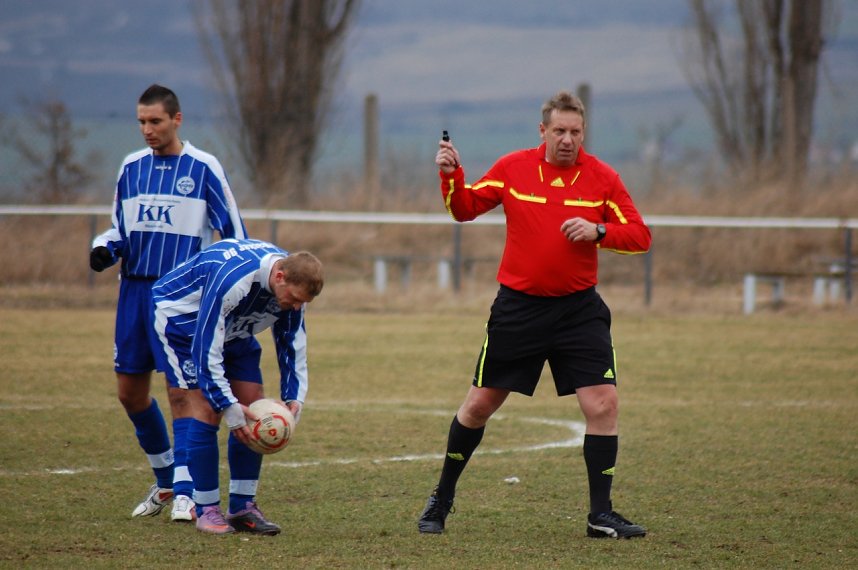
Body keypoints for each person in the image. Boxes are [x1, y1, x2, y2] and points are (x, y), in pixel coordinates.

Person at [418, 91, 652, 539]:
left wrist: (599, 230)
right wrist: (451, 175)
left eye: (575, 132)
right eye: (559, 131)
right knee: (478, 406)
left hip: (579, 311)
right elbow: (463, 208)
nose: (567, 140)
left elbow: (640, 236)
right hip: (519, 310)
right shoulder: (514, 168)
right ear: (543, 131)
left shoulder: (603, 178)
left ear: (583, 132)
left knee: (604, 405)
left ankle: (600, 515)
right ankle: (441, 498)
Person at [89, 84, 247, 522]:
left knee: (182, 393)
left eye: (155, 121)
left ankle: (186, 490)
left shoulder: (203, 167)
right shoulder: (131, 167)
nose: (147, 129)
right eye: (141, 121)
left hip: (181, 296)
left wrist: (226, 287)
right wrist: (105, 247)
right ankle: (165, 480)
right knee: (130, 394)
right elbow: (119, 228)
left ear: (177, 119)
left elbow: (233, 234)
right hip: (134, 293)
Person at [151, 238, 324, 535]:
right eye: (294, 299)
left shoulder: (291, 285)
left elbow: (292, 345)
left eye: (302, 302)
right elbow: (207, 347)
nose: (296, 306)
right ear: (279, 276)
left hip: (234, 323)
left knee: (254, 405)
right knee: (208, 408)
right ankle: (206, 510)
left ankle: (242, 508)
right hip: (183, 321)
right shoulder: (233, 280)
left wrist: (294, 398)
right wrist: (227, 405)